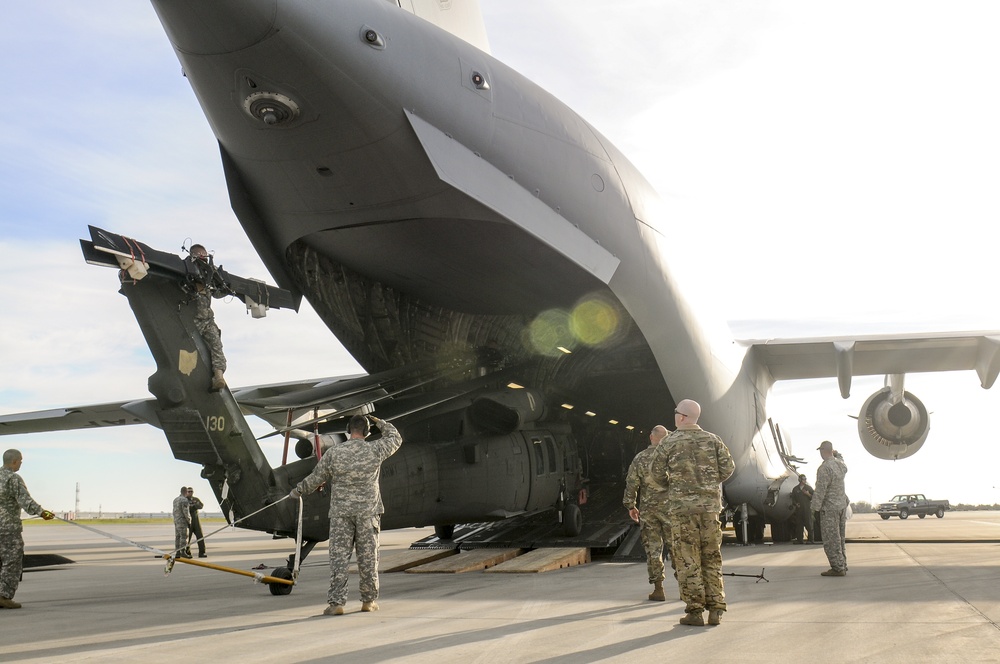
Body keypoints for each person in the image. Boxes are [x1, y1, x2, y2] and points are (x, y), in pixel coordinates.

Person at [291, 414, 402, 616]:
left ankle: (336, 604)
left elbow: (316, 477)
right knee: (368, 558)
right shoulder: (375, 449)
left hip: (341, 514)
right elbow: (395, 438)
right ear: (367, 431)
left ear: (348, 430)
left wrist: (298, 490)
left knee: (339, 559)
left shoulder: (334, 453)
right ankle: (368, 601)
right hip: (368, 513)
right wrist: (380, 422)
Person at [649, 399, 735, 627]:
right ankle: (716, 609)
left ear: (682, 417)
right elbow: (728, 468)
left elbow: (655, 474)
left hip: (682, 511)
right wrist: (707, 483)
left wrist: (675, 486)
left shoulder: (669, 443)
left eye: (676, 412)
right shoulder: (712, 440)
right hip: (709, 511)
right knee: (711, 557)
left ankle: (695, 612)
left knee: (688, 560)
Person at [622, 425, 674, 601]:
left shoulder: (640, 458)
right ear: (666, 439)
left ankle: (658, 589)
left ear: (651, 437)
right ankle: (686, 587)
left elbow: (632, 483)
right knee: (676, 547)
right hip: (670, 510)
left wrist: (630, 505)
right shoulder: (672, 457)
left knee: (653, 549)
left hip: (649, 511)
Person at [0, 449, 55, 609]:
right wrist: (42, 512)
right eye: (21, 461)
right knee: (12, 560)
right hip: (7, 527)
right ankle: (3, 596)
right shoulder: (13, 478)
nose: (21, 463)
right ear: (15, 461)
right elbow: (25, 501)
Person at [187, 244, 228, 391]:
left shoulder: (208, 274)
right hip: (191, 321)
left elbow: (217, 293)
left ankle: (218, 377)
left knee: (216, 345)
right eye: (199, 254)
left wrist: (227, 285)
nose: (203, 257)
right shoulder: (185, 271)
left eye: (204, 254)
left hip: (207, 320)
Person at [812, 440, 849, 576]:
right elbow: (842, 461)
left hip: (829, 509)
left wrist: (814, 509)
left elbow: (820, 490)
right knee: (840, 538)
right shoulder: (840, 465)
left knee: (831, 540)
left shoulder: (824, 468)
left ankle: (837, 568)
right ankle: (842, 564)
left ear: (822, 451)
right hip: (841, 506)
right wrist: (837, 455)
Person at [791, 473, 815, 544]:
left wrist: (808, 494)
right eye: (803, 479)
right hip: (799, 510)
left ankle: (810, 539)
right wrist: (796, 504)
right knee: (799, 525)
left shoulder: (808, 488)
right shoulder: (795, 489)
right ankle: (799, 540)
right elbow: (793, 499)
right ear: (799, 480)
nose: (804, 480)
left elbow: (814, 497)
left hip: (807, 509)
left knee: (809, 524)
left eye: (805, 479)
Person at [172, 486, 192, 558]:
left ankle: (177, 552)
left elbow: (174, 511)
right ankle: (183, 552)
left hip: (176, 520)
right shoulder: (184, 500)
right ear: (186, 492)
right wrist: (189, 521)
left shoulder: (175, 500)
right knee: (184, 536)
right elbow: (186, 512)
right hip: (182, 521)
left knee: (177, 536)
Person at [186, 487, 206, 558]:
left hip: (196, 520)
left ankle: (202, 552)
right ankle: (187, 552)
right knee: (187, 538)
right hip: (188, 522)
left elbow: (201, 505)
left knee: (200, 536)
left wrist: (194, 506)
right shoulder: (184, 500)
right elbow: (187, 508)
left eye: (191, 491)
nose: (190, 493)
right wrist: (194, 506)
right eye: (189, 491)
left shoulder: (195, 499)